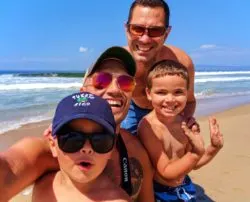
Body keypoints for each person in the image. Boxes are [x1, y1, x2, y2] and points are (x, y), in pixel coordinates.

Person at [0, 47, 154, 202]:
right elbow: (9, 170)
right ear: (82, 93)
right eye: (101, 81)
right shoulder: (49, 148)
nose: (114, 90)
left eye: (125, 82)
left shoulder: (135, 151)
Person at [137, 60, 224, 202]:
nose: (170, 99)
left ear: (187, 93)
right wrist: (195, 153)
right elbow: (166, 172)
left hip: (185, 186)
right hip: (159, 192)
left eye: (178, 92)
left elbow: (193, 165)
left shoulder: (184, 123)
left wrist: (213, 148)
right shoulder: (148, 128)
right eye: (161, 92)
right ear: (149, 93)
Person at [33, 92, 131, 202]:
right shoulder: (42, 184)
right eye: (73, 138)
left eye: (100, 140)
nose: (87, 148)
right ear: (53, 145)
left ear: (111, 148)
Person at [121, 0, 196, 135]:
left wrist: (185, 122)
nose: (144, 39)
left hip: (169, 113)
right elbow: (90, 100)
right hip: (132, 108)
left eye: (155, 31)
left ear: (166, 33)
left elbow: (189, 101)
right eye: (137, 29)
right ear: (127, 30)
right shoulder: (116, 64)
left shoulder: (181, 62)